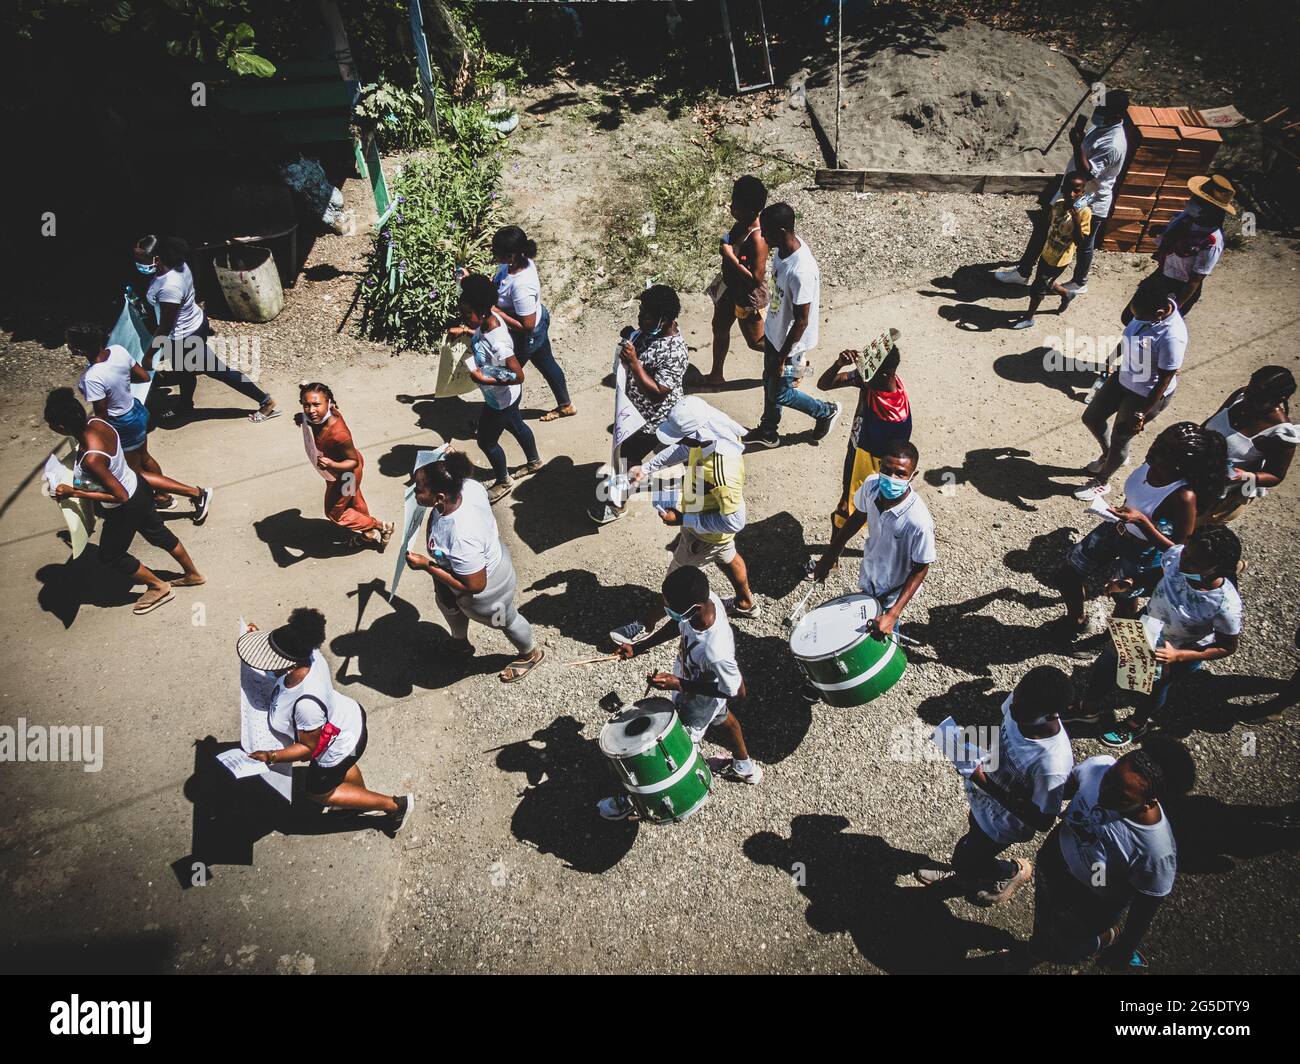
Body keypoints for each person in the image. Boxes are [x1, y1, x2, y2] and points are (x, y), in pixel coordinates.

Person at [598, 565, 761, 820]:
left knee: (667, 749)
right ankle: (745, 767)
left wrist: (680, 684)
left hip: (699, 701)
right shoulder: (706, 603)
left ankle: (639, 800)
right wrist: (640, 647)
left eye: (670, 604)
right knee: (723, 719)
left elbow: (736, 690)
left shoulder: (715, 651)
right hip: (697, 689)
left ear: (694, 608)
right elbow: (678, 624)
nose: (666, 608)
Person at [238, 608, 414, 832]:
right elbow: (286, 649)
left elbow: (306, 748)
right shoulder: (306, 652)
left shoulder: (306, 704)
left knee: (318, 792)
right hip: (347, 722)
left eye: (272, 657)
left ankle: (394, 806)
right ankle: (353, 803)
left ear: (290, 664)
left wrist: (271, 756)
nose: (268, 661)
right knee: (341, 768)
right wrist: (263, 641)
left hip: (341, 741)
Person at [1066, 527, 1243, 747]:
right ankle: (1088, 708)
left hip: (1178, 650)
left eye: (1193, 562)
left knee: (1154, 687)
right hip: (1146, 625)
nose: (1182, 561)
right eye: (1185, 551)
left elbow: (1227, 647)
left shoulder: (1225, 605)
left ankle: (1137, 723)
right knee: (1107, 663)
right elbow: (1163, 573)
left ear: (1217, 569)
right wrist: (1131, 582)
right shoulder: (1179, 558)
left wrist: (1179, 656)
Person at [1029, 736, 1194, 969]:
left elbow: (1145, 907)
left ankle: (1098, 940)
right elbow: (1064, 790)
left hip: (1090, 901)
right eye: (1109, 780)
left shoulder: (1156, 851)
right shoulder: (1099, 767)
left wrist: (1125, 947)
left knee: (1067, 943)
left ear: (1149, 802)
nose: (1105, 794)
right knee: (1046, 915)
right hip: (1054, 861)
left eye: (1122, 798)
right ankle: (1042, 943)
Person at [916, 666, 1075, 906]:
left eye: (1022, 708)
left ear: (1052, 715)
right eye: (1016, 697)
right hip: (983, 803)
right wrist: (970, 749)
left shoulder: (1052, 764)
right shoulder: (1021, 701)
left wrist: (982, 780)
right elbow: (1001, 724)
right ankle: (972, 871)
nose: (1012, 708)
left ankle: (1006, 872)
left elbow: (1043, 821)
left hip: (1002, 824)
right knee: (973, 839)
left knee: (967, 855)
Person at [609, 396, 760, 647]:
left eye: (685, 436)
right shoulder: (712, 434)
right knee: (727, 554)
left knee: (674, 583)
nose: (681, 442)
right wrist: (646, 469)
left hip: (701, 536)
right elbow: (685, 448)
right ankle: (745, 604)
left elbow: (734, 522)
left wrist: (682, 519)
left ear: (698, 433)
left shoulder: (723, 474)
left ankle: (645, 625)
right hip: (709, 527)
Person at [1057, 422, 1227, 637]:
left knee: (1124, 597)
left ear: (1181, 464)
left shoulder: (1183, 496)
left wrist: (1142, 523)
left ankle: (1109, 641)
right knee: (1067, 574)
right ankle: (1075, 621)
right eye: (1158, 442)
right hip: (1115, 528)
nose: (1154, 451)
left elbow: (1180, 550)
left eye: (1166, 452)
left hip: (1144, 551)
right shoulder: (1150, 465)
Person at [43, 388, 204, 615]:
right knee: (162, 536)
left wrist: (74, 493)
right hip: (139, 487)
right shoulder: (99, 422)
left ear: (60, 428)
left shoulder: (91, 458)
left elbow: (120, 496)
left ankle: (159, 587)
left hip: (125, 507)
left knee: (111, 555)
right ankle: (193, 575)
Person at [405, 449, 545, 682]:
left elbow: (475, 585)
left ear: (439, 497)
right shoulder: (465, 486)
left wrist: (427, 566)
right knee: (449, 606)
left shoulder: (461, 536)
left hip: (489, 590)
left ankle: (530, 653)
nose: (414, 491)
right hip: (464, 571)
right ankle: (460, 643)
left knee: (506, 620)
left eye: (419, 488)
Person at [68, 323, 212, 522]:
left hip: (121, 423)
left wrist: (92, 441)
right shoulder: (118, 351)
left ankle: (196, 494)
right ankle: (162, 497)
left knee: (133, 473)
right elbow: (143, 376)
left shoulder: (92, 378)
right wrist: (120, 382)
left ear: (78, 349)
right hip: (137, 411)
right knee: (144, 458)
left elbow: (102, 416)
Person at [994, 89, 1130, 297]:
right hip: (1073, 191)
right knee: (1050, 231)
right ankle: (1029, 272)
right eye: (1098, 107)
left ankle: (1065, 280)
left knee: (1077, 241)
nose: (1097, 113)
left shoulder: (1113, 144)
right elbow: (1097, 90)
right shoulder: (1105, 125)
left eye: (1103, 110)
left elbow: (1089, 172)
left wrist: (1077, 144)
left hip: (1088, 199)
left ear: (1117, 116)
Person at [134, 235, 278, 424]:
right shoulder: (178, 265)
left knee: (218, 370)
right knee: (183, 370)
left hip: (186, 337)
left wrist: (149, 354)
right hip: (193, 324)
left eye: (141, 259)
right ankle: (185, 404)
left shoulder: (170, 287)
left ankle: (265, 401)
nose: (137, 263)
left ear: (157, 259)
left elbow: (166, 325)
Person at [1074, 280, 1189, 500]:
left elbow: (1165, 379)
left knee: (1121, 437)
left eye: (1141, 317)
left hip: (1146, 393)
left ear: (1159, 313)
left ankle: (1102, 481)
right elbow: (1129, 336)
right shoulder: (1145, 310)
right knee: (1092, 417)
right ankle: (1110, 456)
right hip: (1124, 377)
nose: (1136, 319)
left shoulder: (1172, 336)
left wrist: (1141, 413)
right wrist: (1111, 359)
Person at [812, 439, 935, 640]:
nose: (891, 478)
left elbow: (922, 566)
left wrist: (893, 614)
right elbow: (856, 518)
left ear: (913, 476)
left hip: (894, 588)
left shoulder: (918, 522)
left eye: (900, 474)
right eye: (886, 470)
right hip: (871, 574)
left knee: (882, 634)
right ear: (879, 465)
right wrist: (828, 558)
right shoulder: (871, 486)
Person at [590, 285, 690, 525]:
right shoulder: (651, 332)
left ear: (664, 320)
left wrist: (635, 364)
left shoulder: (676, 351)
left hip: (655, 419)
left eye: (646, 315)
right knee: (662, 453)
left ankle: (617, 504)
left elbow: (658, 394)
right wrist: (631, 336)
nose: (639, 318)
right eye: (641, 311)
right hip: (635, 411)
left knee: (628, 458)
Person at [743, 203, 841, 449]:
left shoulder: (802, 270)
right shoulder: (783, 250)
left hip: (790, 345)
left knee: (781, 392)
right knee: (769, 381)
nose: (762, 236)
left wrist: (783, 356)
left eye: (766, 231)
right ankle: (768, 431)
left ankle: (824, 411)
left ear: (782, 230)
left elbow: (802, 320)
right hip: (775, 333)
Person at [454, 273, 542, 504]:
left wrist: (485, 377)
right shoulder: (488, 321)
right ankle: (534, 461)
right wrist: (466, 331)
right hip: (506, 398)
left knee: (486, 441)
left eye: (466, 315)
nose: (463, 318)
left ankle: (503, 481)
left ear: (482, 312)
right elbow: (482, 335)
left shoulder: (500, 342)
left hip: (500, 399)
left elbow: (518, 375)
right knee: (516, 424)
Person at [816, 330, 911, 533]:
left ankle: (831, 561)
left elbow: (886, 464)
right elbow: (823, 385)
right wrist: (838, 364)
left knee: (845, 510)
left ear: (885, 374)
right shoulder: (872, 381)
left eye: (868, 369)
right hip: (858, 451)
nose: (861, 372)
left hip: (867, 463)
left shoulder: (895, 419)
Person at [487, 225, 574, 421]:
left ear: (511, 255)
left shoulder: (522, 285)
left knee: (507, 375)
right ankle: (566, 405)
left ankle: (502, 418)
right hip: (538, 323)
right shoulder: (515, 263)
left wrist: (496, 311)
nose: (492, 253)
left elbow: (527, 325)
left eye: (496, 251)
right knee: (546, 362)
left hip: (527, 335)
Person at [1123, 174, 1235, 323]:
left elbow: (1196, 279)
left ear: (1210, 208)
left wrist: (1175, 308)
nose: (1192, 201)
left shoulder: (1212, 241)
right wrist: (1161, 231)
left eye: (1198, 200)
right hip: (1162, 276)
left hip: (1178, 287)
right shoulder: (1185, 219)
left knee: (1150, 327)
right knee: (1130, 316)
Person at [296, 382, 393, 551]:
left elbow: (353, 461)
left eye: (316, 405)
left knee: (335, 514)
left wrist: (332, 464)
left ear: (329, 403)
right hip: (342, 472)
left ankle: (380, 526)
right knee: (354, 500)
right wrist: (302, 418)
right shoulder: (324, 413)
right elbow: (311, 399)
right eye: (306, 405)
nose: (311, 411)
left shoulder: (339, 434)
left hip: (346, 474)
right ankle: (368, 534)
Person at [1199, 366, 1297, 526]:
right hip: (1194, 470)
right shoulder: (1240, 395)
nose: (1248, 400)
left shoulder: (1281, 433)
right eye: (1249, 390)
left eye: (1259, 398)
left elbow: (1275, 475)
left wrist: (1245, 476)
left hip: (1221, 489)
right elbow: (1211, 421)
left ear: (1280, 399)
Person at [703, 175, 769, 387]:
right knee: (719, 327)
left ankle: (793, 359)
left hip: (746, 296)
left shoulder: (758, 238)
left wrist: (730, 256)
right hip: (730, 289)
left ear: (751, 210)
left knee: (757, 342)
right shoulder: (742, 224)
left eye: (737, 205)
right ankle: (716, 374)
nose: (732, 207)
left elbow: (756, 279)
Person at [1007, 174, 1092, 329]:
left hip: (1060, 259)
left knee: (1037, 288)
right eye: (1068, 189)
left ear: (1082, 193)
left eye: (1076, 191)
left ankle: (1028, 318)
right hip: (1047, 252)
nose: (1072, 194)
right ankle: (1067, 294)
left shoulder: (1084, 213)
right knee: (1046, 282)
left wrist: (1077, 222)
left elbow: (1080, 242)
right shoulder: (1058, 204)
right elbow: (1050, 225)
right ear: (1063, 189)